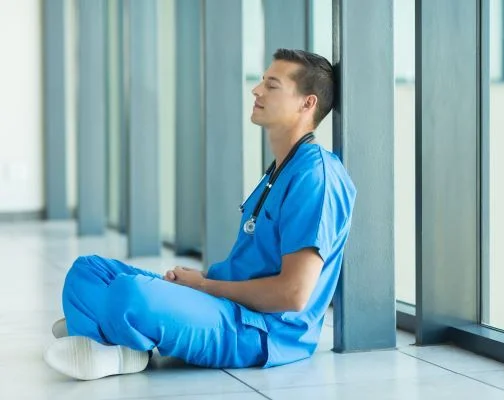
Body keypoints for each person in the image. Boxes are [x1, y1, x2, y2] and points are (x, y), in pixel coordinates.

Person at [43, 49, 356, 380]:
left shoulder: (316, 176)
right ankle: (116, 335)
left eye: (272, 85)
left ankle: (108, 340)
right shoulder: (278, 171)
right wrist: (205, 281)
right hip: (225, 304)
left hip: (262, 330)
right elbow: (252, 267)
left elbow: (293, 295)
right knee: (86, 271)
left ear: (306, 104)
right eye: (262, 81)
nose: (256, 90)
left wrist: (205, 287)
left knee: (128, 293)